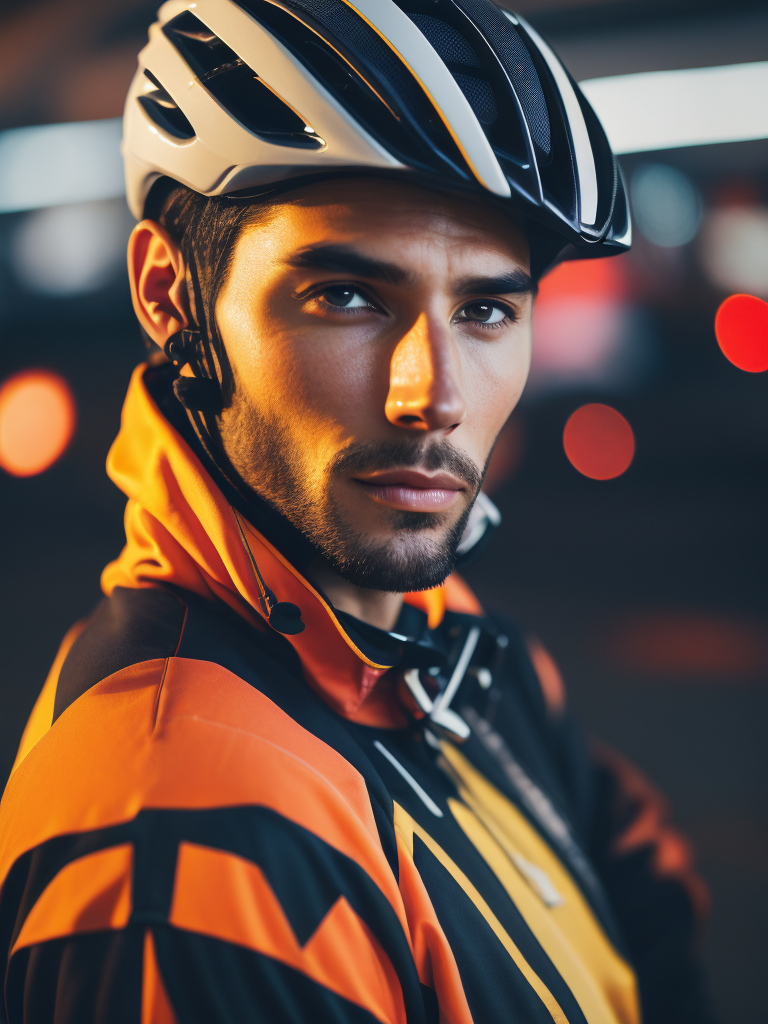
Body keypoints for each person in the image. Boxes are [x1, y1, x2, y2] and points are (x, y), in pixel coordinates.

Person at [0, 2, 718, 1022]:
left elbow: (646, 910)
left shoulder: (442, 635)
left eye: (484, 310)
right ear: (170, 295)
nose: (435, 396)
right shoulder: (184, 846)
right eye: (347, 297)